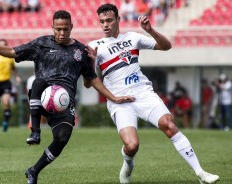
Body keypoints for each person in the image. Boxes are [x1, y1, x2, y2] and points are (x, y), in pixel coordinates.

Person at [0, 10, 134, 184]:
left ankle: (34, 171)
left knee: (62, 138)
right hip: (41, 97)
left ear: (71, 27)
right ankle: (35, 131)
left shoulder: (80, 50)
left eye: (65, 29)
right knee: (38, 82)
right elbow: (12, 51)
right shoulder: (41, 44)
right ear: (52, 27)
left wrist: (113, 96)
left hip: (64, 104)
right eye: (58, 29)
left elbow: (90, 82)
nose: (62, 33)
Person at [86, 3, 219, 184]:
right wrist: (91, 63)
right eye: (102, 22)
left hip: (143, 92)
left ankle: (201, 174)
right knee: (132, 146)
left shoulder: (133, 37)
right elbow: (88, 83)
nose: (105, 25)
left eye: (109, 20)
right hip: (119, 101)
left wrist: (151, 30)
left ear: (118, 19)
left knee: (169, 125)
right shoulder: (95, 46)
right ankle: (128, 166)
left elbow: (166, 46)